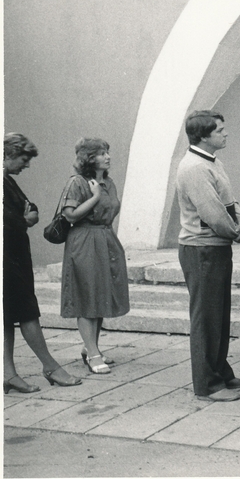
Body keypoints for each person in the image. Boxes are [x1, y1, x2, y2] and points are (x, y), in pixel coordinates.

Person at [176, 110, 240, 402]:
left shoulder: (212, 161)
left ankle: (221, 371)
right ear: (203, 136)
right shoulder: (195, 167)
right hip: (202, 249)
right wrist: (235, 231)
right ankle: (207, 384)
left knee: (219, 315)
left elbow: (228, 201)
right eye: (219, 130)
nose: (226, 133)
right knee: (206, 318)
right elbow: (212, 211)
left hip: (216, 246)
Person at [4, 133, 81, 392]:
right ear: (8, 155)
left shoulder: (7, 180)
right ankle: (50, 366)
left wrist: (28, 215)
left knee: (7, 315)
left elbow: (30, 206)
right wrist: (24, 219)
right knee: (27, 311)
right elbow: (11, 218)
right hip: (7, 258)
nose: (26, 165)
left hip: (14, 254)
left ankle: (8, 374)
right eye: (23, 159)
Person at [60, 137, 130, 375]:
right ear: (88, 158)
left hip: (105, 238)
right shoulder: (77, 182)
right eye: (101, 153)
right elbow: (70, 215)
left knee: (100, 296)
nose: (107, 157)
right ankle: (92, 354)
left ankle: (91, 348)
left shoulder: (109, 182)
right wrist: (94, 197)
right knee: (86, 298)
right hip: (84, 241)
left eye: (107, 152)